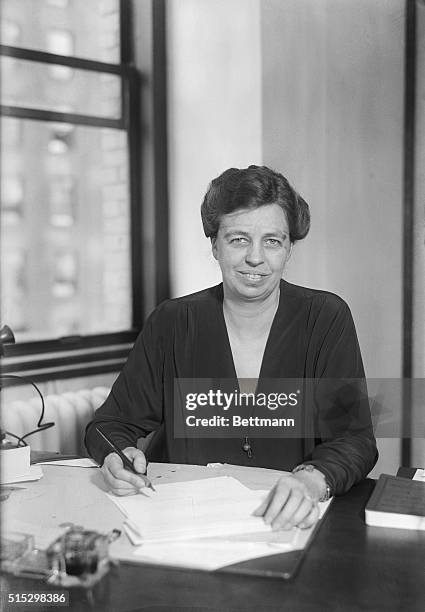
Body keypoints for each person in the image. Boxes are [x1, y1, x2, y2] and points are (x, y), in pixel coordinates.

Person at [85, 165, 377, 531]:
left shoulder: (326, 318)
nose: (256, 258)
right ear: (215, 246)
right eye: (239, 239)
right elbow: (108, 424)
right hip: (185, 525)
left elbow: (355, 439)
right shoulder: (172, 323)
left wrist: (312, 479)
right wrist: (117, 455)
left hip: (287, 525)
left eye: (272, 241)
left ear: (289, 249)